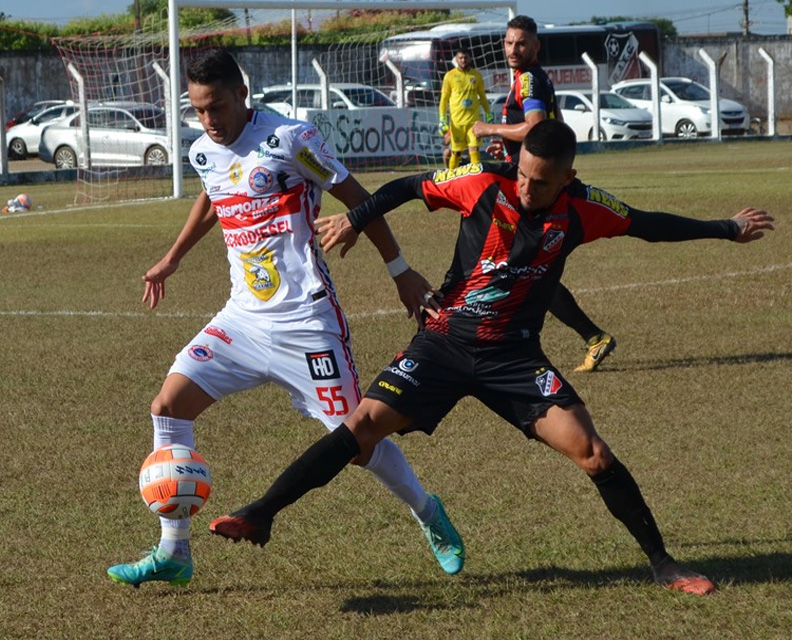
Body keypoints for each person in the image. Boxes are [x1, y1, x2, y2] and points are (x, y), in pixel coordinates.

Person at [209, 119, 774, 597]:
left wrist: (727, 228)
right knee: (359, 430)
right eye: (525, 175)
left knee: (594, 454)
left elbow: (648, 225)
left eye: (543, 183)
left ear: (568, 179)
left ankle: (664, 563)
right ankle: (261, 513)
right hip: (444, 343)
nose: (528, 189)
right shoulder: (481, 182)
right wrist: (355, 219)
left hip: (514, 360)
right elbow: (409, 185)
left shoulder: (582, 208)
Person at [106, 49, 465, 588]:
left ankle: (427, 511)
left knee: (357, 441)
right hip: (242, 321)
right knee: (168, 406)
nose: (209, 121)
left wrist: (400, 270)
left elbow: (358, 198)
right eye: (199, 110)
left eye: (218, 107)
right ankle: (174, 552)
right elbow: (213, 194)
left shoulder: (290, 140)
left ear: (241, 95)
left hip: (307, 322)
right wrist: (173, 257)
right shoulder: (204, 149)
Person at [473, 15, 616, 373]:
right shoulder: (534, 78)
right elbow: (553, 127)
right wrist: (507, 145)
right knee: (532, 270)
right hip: (536, 179)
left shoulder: (528, 80)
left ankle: (586, 337)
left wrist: (487, 127)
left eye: (521, 43)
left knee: (522, 268)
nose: (513, 49)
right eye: (508, 42)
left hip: (534, 188)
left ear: (535, 46)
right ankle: (591, 337)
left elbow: (537, 127)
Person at [439, 48, 490, 169]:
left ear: (470, 58)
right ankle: (451, 177)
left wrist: (488, 112)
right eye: (460, 58)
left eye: (465, 57)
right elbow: (444, 99)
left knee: (474, 150)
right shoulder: (449, 76)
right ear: (456, 59)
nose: (463, 60)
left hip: (473, 122)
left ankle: (475, 178)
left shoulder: (476, 76)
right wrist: (442, 118)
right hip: (457, 123)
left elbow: (482, 96)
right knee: (456, 153)